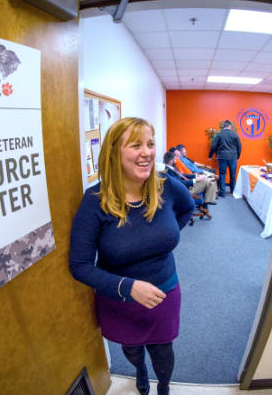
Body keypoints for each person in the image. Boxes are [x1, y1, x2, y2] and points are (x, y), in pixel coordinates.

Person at [69, 117, 195, 395]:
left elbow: (187, 208)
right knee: (133, 349)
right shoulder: (95, 201)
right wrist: (128, 287)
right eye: (136, 145)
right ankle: (139, 371)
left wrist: (166, 236)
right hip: (120, 299)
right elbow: (78, 266)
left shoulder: (167, 185)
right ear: (114, 152)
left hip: (164, 291)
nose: (147, 152)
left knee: (163, 349)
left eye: (150, 144)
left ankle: (163, 386)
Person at [162, 152, 211, 219]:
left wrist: (195, 176)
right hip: (184, 190)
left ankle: (204, 205)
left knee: (206, 180)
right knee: (207, 181)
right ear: (171, 161)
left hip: (186, 186)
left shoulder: (170, 168)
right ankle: (205, 205)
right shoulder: (168, 171)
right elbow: (180, 183)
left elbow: (182, 175)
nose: (176, 161)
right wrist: (196, 180)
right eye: (174, 159)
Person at [208, 120, 242, 197]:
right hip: (233, 157)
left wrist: (210, 155)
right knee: (233, 174)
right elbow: (239, 147)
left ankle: (222, 192)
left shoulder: (219, 134)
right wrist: (238, 156)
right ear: (230, 126)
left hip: (222, 157)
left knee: (222, 174)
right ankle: (233, 191)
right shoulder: (234, 134)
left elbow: (214, 146)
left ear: (224, 126)